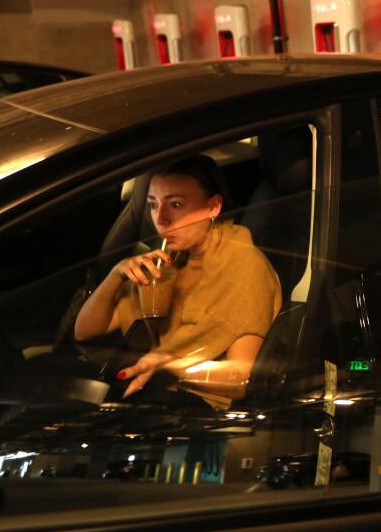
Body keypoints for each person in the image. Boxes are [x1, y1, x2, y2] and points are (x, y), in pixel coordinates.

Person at [74, 155, 281, 400]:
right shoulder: (167, 261)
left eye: (175, 204)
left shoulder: (246, 270)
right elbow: (85, 331)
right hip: (153, 396)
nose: (160, 219)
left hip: (200, 416)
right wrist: (116, 274)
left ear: (213, 207)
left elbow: (238, 379)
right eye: (152, 205)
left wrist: (168, 364)